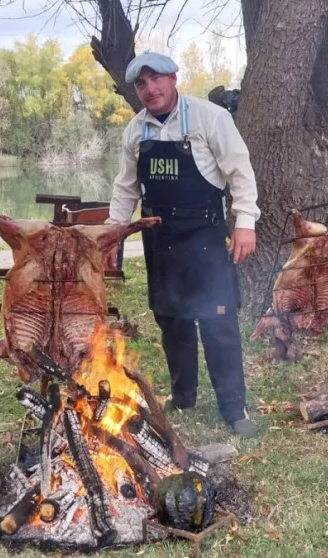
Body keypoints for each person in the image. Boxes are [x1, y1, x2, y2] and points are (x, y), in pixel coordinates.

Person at [104, 51, 261, 438]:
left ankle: (233, 407)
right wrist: (112, 233)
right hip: (159, 241)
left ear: (174, 78)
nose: (149, 89)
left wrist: (245, 222)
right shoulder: (135, 132)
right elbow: (126, 188)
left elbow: (240, 172)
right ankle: (184, 395)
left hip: (205, 238)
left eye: (155, 78)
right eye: (140, 84)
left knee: (218, 324)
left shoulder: (211, 118)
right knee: (171, 322)